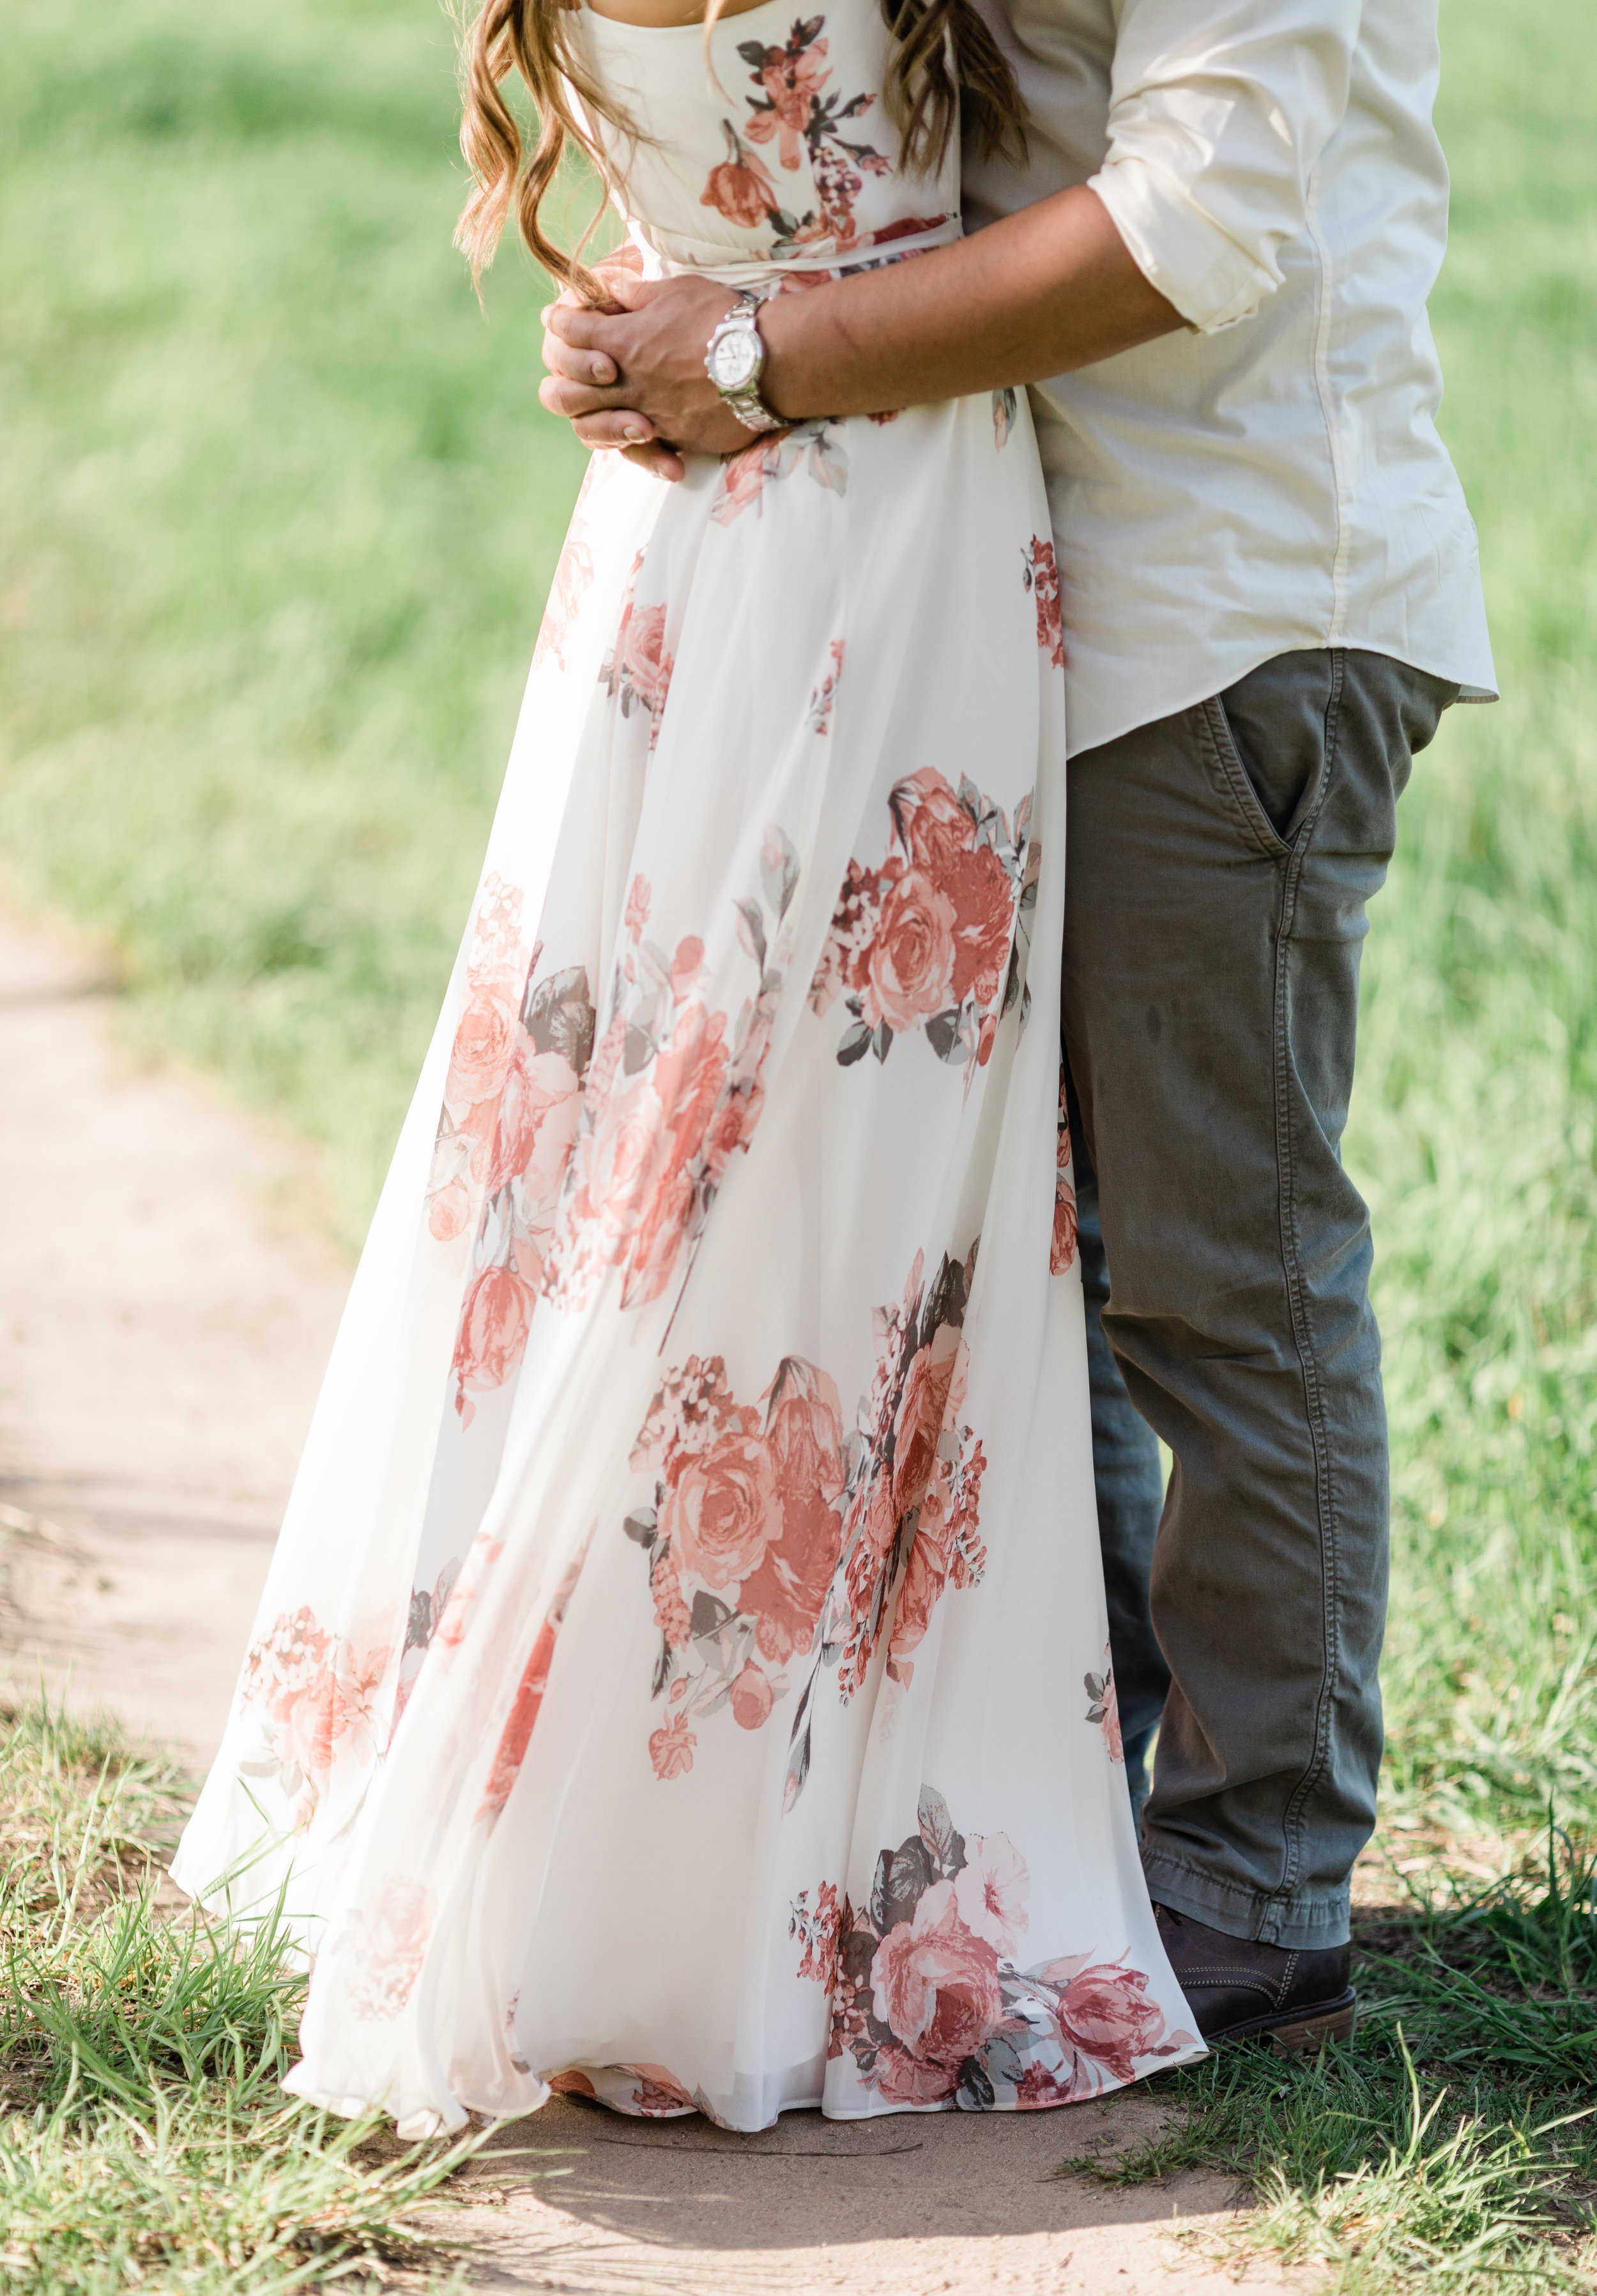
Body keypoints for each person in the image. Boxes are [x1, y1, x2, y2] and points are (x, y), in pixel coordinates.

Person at [173, 0, 1208, 2134]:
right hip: (851, 519)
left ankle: (767, 1823)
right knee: (779, 1175)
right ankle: (702, 1861)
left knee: (729, 1154)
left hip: (730, 528)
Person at [537, 0, 1497, 2047]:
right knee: (1009, 1272)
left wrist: (750, 355)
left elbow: (1192, 226)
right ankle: (1059, 1801)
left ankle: (1256, 1865)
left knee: (1211, 1272)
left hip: (1218, 609)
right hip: (971, 595)